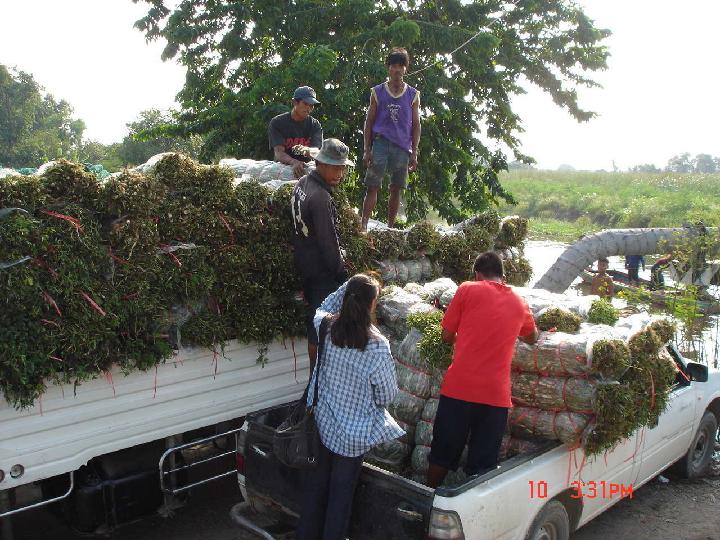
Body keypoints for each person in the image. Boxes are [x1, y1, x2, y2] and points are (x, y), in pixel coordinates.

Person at [296, 274, 403, 540]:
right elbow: (387, 395)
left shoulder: (325, 326)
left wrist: (353, 283)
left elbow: (323, 305)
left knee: (315, 492)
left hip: (322, 426)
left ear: (346, 298)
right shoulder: (377, 346)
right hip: (353, 437)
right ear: (372, 304)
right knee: (339, 501)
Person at [427, 251, 538, 488]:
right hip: (495, 397)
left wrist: (463, 336)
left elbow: (446, 335)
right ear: (503, 277)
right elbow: (532, 337)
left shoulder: (467, 289)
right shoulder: (519, 302)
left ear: (477, 274)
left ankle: (429, 496)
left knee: (442, 453)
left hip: (459, 389)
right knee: (482, 465)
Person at [291, 138, 353, 368]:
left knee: (315, 321)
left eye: (342, 168)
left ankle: (316, 376)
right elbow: (329, 244)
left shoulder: (302, 183)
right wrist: (342, 275)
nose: (340, 174)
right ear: (321, 164)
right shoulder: (321, 197)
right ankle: (317, 377)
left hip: (304, 262)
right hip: (321, 271)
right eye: (335, 168)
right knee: (319, 327)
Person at [360, 47, 421, 230]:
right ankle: (363, 225)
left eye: (400, 66)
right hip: (380, 143)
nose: (397, 70)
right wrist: (367, 150)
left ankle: (390, 228)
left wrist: (414, 152)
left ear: (405, 69)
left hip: (402, 147)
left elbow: (416, 125)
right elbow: (369, 122)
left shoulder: (413, 95)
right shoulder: (377, 92)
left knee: (396, 189)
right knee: (373, 186)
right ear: (388, 68)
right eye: (393, 66)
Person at [269, 86, 323, 178]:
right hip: (281, 170)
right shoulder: (277, 122)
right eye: (305, 103)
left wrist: (307, 150)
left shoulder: (315, 125)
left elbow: (316, 151)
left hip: (306, 171)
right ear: (294, 102)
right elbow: (279, 153)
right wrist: (294, 162)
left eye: (311, 105)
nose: (309, 108)